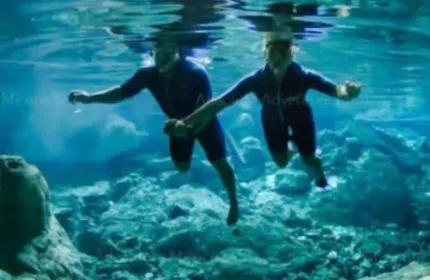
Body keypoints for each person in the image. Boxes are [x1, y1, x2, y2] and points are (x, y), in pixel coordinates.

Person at [68, 36, 239, 226]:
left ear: (178, 53)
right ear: (153, 52)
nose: (163, 59)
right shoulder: (147, 74)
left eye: (168, 53)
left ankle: (234, 203)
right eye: (159, 53)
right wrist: (90, 98)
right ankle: (194, 152)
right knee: (182, 168)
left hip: (204, 122)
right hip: (175, 125)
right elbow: (121, 92)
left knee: (220, 162)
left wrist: (186, 127)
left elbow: (206, 110)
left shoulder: (196, 73)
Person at [164, 31, 362, 188]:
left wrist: (348, 92)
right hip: (272, 121)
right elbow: (220, 103)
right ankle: (291, 145)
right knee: (281, 163)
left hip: (301, 119)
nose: (277, 58)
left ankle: (320, 176)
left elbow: (336, 91)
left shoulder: (305, 76)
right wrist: (186, 122)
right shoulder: (256, 80)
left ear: (291, 54)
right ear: (265, 54)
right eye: (272, 52)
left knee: (308, 159)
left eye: (283, 52)